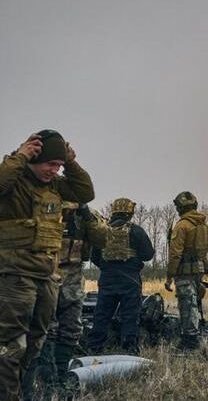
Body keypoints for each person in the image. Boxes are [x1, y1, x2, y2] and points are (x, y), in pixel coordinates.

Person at [0, 131, 94, 401]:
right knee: (9, 345)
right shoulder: (14, 181)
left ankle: (25, 394)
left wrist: (72, 163)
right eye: (49, 164)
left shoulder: (54, 187)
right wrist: (20, 156)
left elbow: (85, 192)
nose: (54, 170)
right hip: (14, 276)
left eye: (58, 165)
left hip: (47, 277)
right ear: (33, 158)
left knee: (35, 344)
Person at [21, 202, 107, 400]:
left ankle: (60, 377)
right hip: (44, 274)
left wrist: (86, 215)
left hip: (73, 277)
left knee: (70, 329)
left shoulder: (86, 216)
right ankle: (46, 380)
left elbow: (103, 239)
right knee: (45, 328)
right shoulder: (42, 207)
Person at [87, 198, 154, 355]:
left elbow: (94, 257)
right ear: (130, 213)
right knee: (130, 316)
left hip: (107, 280)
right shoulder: (137, 231)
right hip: (130, 280)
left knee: (102, 315)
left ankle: (94, 348)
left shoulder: (103, 231)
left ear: (113, 211)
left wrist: (107, 267)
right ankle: (129, 349)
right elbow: (148, 255)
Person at [164, 191, 208, 351]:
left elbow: (175, 253)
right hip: (198, 270)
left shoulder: (182, 225)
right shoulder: (202, 224)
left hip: (184, 271)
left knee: (186, 304)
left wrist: (169, 276)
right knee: (194, 304)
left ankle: (190, 341)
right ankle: (196, 335)